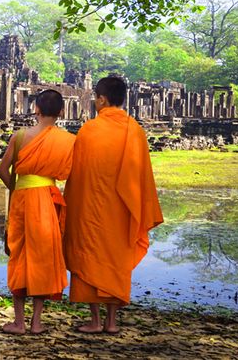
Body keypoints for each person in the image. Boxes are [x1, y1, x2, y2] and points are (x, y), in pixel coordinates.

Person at [63, 76, 164, 333]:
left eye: (96, 98)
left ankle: (95, 321)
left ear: (102, 99)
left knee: (89, 258)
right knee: (115, 260)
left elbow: (78, 175)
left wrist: (71, 206)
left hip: (91, 208)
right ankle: (111, 322)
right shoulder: (135, 131)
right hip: (122, 210)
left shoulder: (89, 130)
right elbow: (142, 176)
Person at [0, 89, 76, 335]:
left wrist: (19, 187)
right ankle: (36, 323)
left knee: (19, 254)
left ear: (36, 109)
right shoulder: (68, 140)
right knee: (43, 256)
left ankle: (18, 322)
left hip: (22, 199)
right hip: (47, 199)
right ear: (62, 112)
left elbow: (2, 170)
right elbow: (69, 173)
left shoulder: (20, 136)